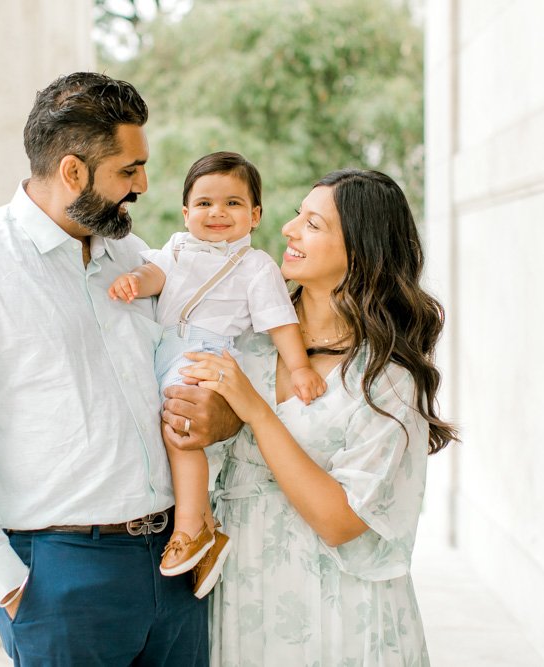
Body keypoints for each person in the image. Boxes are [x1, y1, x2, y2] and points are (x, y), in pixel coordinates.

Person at [0, 72, 239, 667]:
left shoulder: (131, 258)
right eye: (128, 171)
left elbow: (188, 371)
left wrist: (222, 416)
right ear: (74, 173)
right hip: (59, 578)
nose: (144, 185)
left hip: (174, 566)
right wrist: (8, 584)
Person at [175, 169, 457, 665]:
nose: (288, 229)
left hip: (342, 618)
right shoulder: (245, 341)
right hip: (244, 601)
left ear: (362, 249)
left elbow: (339, 522)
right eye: (296, 216)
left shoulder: (384, 379)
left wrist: (256, 414)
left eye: (313, 224)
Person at [108, 152, 326, 597]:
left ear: (256, 215)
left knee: (182, 428)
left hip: (206, 352)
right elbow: (155, 274)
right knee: (164, 432)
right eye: (204, 204)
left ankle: (189, 526)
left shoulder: (255, 266)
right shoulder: (176, 247)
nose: (217, 213)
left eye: (233, 203)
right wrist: (136, 280)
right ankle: (208, 529)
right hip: (164, 347)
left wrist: (300, 365)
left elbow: (280, 320)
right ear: (186, 213)